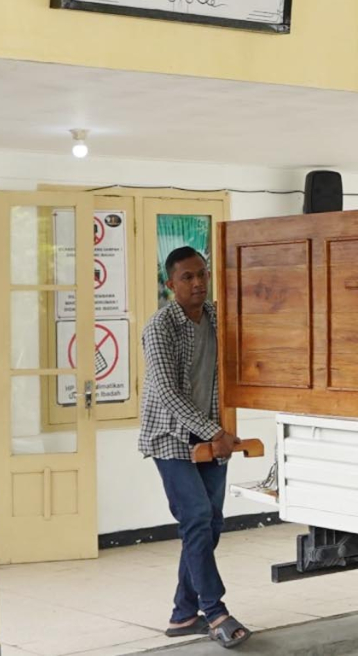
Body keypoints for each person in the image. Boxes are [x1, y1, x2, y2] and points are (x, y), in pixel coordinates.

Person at [139, 246, 251, 649]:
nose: (198, 283)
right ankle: (214, 609)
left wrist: (218, 432)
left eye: (202, 274)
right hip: (170, 436)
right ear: (170, 285)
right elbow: (167, 391)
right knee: (197, 516)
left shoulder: (220, 317)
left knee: (210, 523)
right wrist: (213, 430)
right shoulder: (160, 327)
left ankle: (183, 614)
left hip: (210, 435)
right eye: (187, 277)